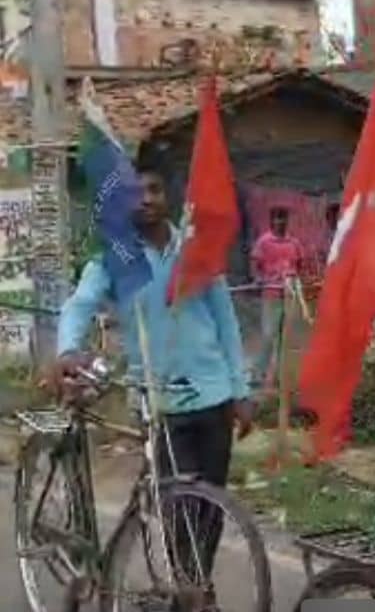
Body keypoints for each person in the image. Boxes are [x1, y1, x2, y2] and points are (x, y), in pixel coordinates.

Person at [46, 158, 254, 597]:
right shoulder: (115, 259)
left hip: (213, 395)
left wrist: (241, 389)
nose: (146, 200)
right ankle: (191, 592)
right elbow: (80, 306)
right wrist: (67, 350)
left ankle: (196, 586)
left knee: (211, 508)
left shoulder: (198, 251)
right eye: (135, 194)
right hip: (159, 403)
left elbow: (226, 323)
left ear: (169, 198)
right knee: (175, 507)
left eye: (154, 190)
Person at [249, 206, 304, 389]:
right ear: (271, 221)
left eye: (283, 218)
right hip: (271, 294)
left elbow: (300, 264)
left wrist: (297, 279)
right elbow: (255, 263)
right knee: (269, 335)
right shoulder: (264, 242)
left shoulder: (294, 243)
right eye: (277, 219)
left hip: (290, 295)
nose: (280, 222)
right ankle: (258, 375)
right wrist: (258, 279)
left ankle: (282, 378)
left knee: (285, 338)